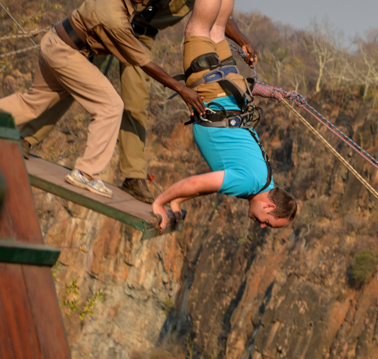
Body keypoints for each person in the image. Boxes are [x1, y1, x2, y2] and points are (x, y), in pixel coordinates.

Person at [17, 0, 257, 203]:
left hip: (140, 36)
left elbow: (219, 18)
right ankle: (26, 138)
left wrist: (243, 40)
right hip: (107, 25)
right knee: (69, 82)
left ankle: (134, 176)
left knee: (136, 101)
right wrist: (180, 88)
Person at [151, 0, 296, 232]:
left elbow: (202, 188)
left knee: (217, 28)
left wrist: (176, 200)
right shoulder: (247, 185)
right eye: (266, 221)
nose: (260, 225)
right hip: (211, 88)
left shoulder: (266, 180)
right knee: (198, 28)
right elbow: (196, 183)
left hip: (231, 89)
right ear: (269, 205)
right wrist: (160, 202)